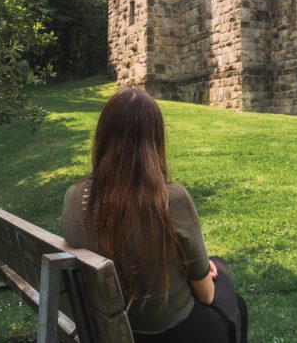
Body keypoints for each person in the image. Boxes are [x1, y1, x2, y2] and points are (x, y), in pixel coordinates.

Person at [61, 86, 248, 343]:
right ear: (154, 140)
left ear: (103, 137)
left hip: (107, 329)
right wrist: (206, 271)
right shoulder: (170, 199)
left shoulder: (74, 197)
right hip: (168, 332)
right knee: (230, 292)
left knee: (216, 270)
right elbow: (205, 295)